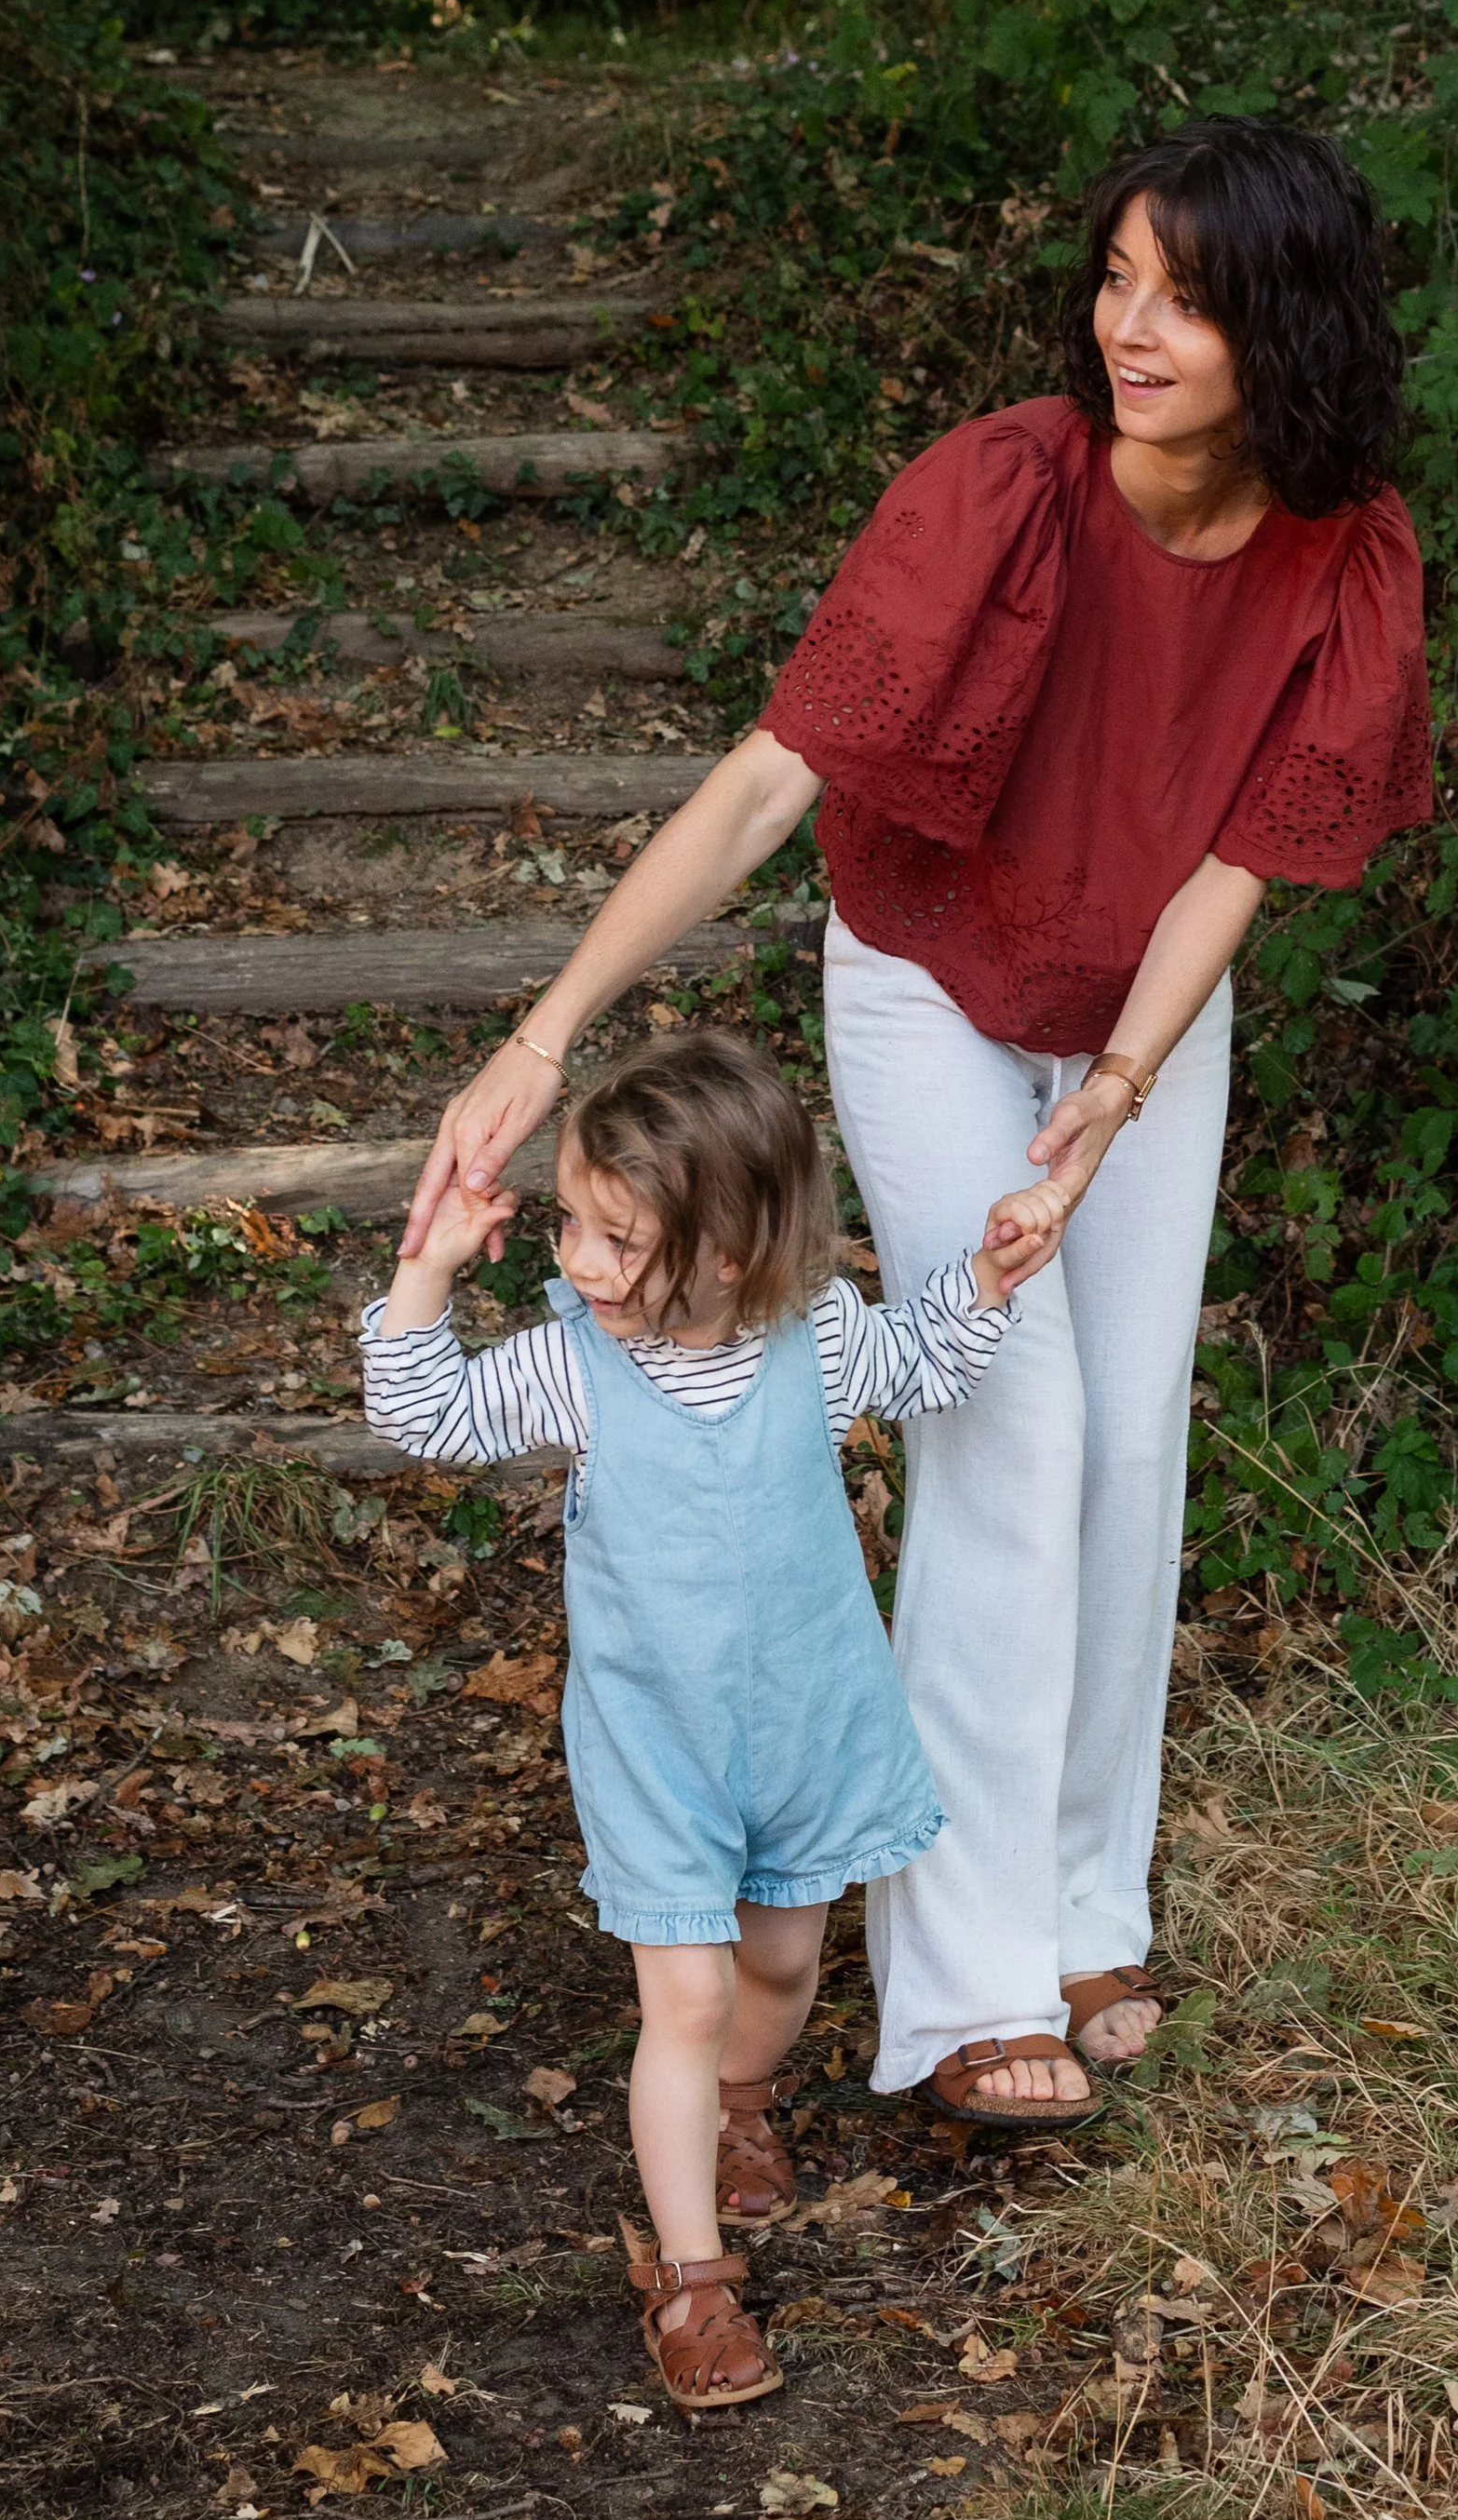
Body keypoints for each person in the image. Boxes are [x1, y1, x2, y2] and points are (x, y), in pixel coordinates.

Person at [401, 116, 1431, 2129]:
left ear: (1283, 329)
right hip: (934, 969)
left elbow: (1235, 859)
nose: (1126, 326)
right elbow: (769, 786)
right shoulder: (1006, 489)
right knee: (1011, 1423)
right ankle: (963, 1989)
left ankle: (1080, 1895)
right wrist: (545, 1035)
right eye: (1114, 275)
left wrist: (1120, 1086)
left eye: (1184, 297)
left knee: (1129, 1436)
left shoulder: (1345, 545)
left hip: (1139, 1011)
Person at [363, 1028, 1061, 2408]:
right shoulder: (575, 1365)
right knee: (682, 1994)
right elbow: (424, 1415)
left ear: (733, 1255)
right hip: (656, 1742)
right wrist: (428, 1268)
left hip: (808, 1724)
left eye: (621, 1242)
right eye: (572, 1224)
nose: (579, 1263)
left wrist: (984, 1280)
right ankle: (692, 2283)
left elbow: (923, 1364)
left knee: (781, 1975)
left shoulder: (815, 1346)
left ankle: (744, 2104)